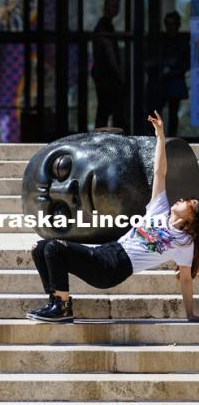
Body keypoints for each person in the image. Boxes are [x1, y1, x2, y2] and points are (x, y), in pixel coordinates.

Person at [26, 110, 199, 323]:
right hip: (109, 250)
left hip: (115, 266)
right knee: (40, 248)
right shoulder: (159, 209)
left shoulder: (184, 244)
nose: (182, 200)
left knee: (55, 248)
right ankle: (55, 301)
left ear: (190, 219)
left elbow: (186, 281)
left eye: (189, 203)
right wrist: (160, 136)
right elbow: (159, 172)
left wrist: (190, 314)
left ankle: (62, 307)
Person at [91, 0, 125, 129]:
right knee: (106, 110)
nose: (116, 10)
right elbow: (109, 50)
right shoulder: (103, 25)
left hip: (106, 74)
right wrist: (119, 72)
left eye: (118, 7)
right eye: (114, 6)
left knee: (107, 109)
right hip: (105, 75)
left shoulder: (107, 25)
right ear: (106, 7)